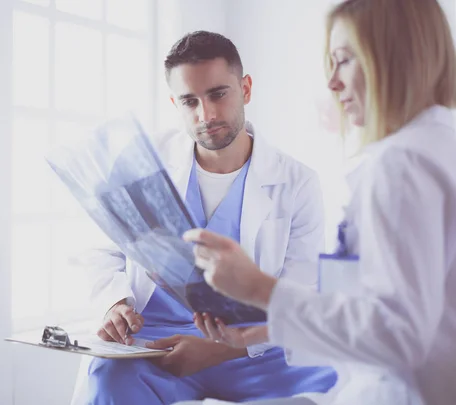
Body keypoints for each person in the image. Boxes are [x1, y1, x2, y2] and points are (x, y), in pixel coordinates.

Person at [182, 1, 456, 404]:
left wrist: (260, 289)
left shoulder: (402, 163)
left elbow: (399, 335)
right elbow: (389, 313)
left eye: (344, 60)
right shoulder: (438, 142)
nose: (332, 83)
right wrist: (264, 331)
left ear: (394, 56)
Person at [71, 31, 337, 405]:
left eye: (218, 94)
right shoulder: (143, 163)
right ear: (174, 103)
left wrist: (220, 348)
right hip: (156, 345)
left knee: (335, 378)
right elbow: (100, 249)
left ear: (245, 88)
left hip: (250, 348)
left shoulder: (298, 183)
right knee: (110, 380)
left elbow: (300, 292)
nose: (206, 115)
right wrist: (115, 303)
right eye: (189, 101)